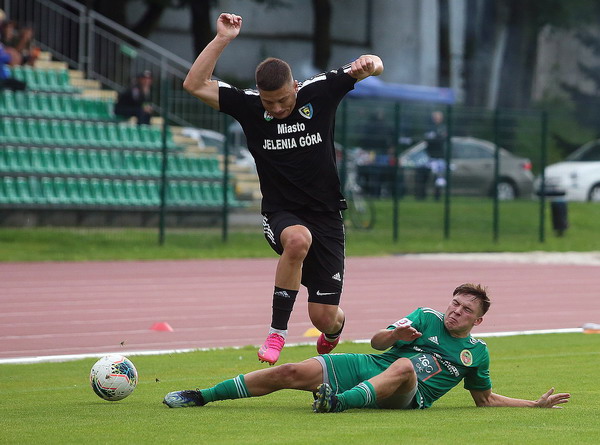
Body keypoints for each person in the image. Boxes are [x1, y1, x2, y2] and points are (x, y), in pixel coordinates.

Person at [182, 12, 384, 365]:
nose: (276, 108)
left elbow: (374, 66)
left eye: (283, 100)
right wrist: (222, 39)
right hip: (281, 213)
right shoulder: (248, 105)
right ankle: (277, 333)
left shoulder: (319, 91)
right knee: (297, 240)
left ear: (295, 87)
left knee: (324, 317)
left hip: (327, 215)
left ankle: (334, 330)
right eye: (268, 102)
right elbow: (194, 85)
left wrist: (370, 62)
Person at [163, 283, 570, 412]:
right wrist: (395, 337)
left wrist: (533, 406)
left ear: (477, 321)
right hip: (372, 365)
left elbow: (485, 399)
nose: (455, 312)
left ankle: (337, 403)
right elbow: (376, 341)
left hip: (406, 395)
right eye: (454, 304)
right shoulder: (425, 316)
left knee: (406, 368)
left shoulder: (476, 353)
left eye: (465, 310)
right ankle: (202, 395)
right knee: (291, 371)